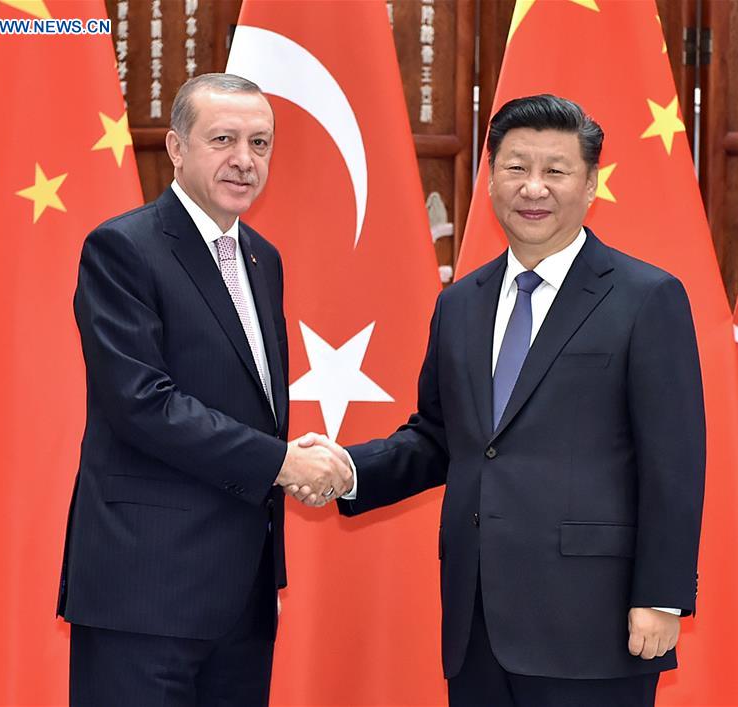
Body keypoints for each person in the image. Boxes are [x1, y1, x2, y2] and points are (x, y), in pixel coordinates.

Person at [291, 94, 705, 706]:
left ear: (590, 184)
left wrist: (661, 597)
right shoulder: (460, 302)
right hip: (476, 621)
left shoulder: (646, 297)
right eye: (516, 168)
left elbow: (673, 460)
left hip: (595, 622)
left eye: (555, 171)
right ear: (490, 177)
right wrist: (348, 471)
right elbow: (440, 437)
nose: (533, 188)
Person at [57, 73, 352, 707]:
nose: (245, 160)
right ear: (177, 147)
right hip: (146, 590)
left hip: (242, 595)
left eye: (261, 143)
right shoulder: (122, 248)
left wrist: (287, 458)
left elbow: (249, 402)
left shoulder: (262, 258)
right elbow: (143, 402)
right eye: (223, 139)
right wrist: (282, 463)